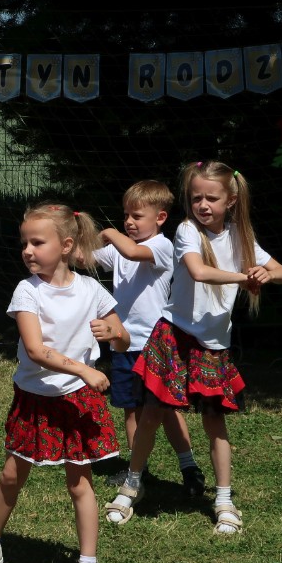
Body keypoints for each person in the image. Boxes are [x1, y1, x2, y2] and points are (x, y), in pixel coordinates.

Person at [105, 161, 282, 533]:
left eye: (211, 198)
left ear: (230, 200)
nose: (202, 205)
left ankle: (224, 500)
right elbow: (199, 271)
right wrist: (245, 276)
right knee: (151, 413)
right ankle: (132, 485)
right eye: (196, 197)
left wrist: (265, 273)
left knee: (215, 422)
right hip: (174, 335)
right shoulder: (187, 230)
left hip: (213, 346)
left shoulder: (241, 237)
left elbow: (279, 269)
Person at [0, 202, 128, 563]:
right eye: (25, 243)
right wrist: (85, 369)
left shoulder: (92, 290)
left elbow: (123, 338)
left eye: (37, 243)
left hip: (77, 401)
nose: (28, 250)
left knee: (80, 483)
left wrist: (115, 334)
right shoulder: (27, 290)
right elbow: (36, 351)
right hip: (35, 398)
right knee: (11, 475)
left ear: (66, 245)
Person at [90, 180, 203, 492]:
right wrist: (70, 238)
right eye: (126, 215)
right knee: (131, 408)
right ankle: (138, 471)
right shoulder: (120, 249)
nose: (129, 221)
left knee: (166, 410)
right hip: (122, 342)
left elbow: (131, 250)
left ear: (160, 218)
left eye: (137, 216)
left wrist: (109, 232)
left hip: (156, 345)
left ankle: (189, 467)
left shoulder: (161, 247)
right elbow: (86, 259)